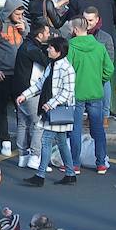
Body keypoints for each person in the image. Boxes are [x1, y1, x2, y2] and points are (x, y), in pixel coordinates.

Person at [20, 36, 77, 187]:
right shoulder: (52, 65)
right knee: (62, 142)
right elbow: (40, 84)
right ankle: (70, 173)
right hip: (54, 110)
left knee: (46, 140)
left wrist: (50, 104)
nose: (47, 49)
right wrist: (25, 95)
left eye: (50, 47)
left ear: (58, 51)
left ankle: (40, 175)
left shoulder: (67, 69)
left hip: (55, 110)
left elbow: (68, 92)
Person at [66, 17, 114, 176]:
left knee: (75, 129)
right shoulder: (99, 47)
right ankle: (101, 163)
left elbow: (66, 71)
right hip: (95, 92)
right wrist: (99, 81)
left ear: (74, 30)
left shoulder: (71, 47)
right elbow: (109, 69)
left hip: (76, 93)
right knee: (98, 129)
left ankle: (75, 164)